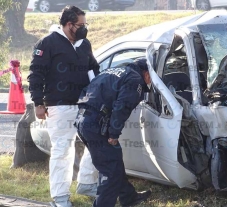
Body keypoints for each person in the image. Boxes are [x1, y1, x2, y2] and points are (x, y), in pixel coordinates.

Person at [27, 5, 100, 207]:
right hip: (58, 106)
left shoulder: (84, 44)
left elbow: (93, 69)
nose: (85, 28)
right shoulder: (48, 43)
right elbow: (35, 74)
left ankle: (86, 182)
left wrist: (97, 94)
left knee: (95, 143)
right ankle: (60, 197)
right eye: (81, 25)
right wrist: (38, 103)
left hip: (85, 105)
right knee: (62, 150)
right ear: (69, 25)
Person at [74, 58, 152, 207]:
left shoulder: (114, 71)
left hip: (84, 121)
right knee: (111, 172)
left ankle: (129, 197)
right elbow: (122, 107)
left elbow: (86, 92)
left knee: (113, 160)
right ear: (146, 73)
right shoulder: (135, 80)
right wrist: (113, 133)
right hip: (97, 125)